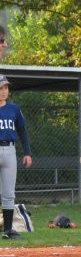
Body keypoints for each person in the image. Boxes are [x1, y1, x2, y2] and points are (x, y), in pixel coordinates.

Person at [0, 74, 32, 240]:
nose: (4, 91)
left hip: (9, 150)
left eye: (5, 88)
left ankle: (7, 230)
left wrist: (27, 152)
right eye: (1, 88)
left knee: (8, 193)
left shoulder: (14, 108)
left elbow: (22, 131)